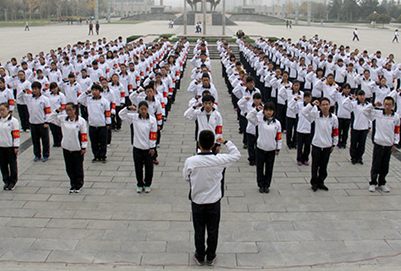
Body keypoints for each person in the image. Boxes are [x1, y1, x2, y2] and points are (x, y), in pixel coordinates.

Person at [183, 131, 240, 266]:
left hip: (198, 201)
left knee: (199, 229)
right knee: (213, 229)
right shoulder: (219, 160)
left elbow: (186, 177)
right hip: (214, 201)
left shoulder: (191, 161)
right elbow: (236, 154)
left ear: (198, 144)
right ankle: (211, 256)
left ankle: (200, 255)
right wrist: (226, 142)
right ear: (214, 144)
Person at [48, 103, 88, 193]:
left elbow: (84, 134)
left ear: (74, 110)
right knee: (69, 167)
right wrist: (57, 111)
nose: (68, 112)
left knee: (78, 167)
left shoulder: (81, 121)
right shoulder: (62, 119)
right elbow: (50, 119)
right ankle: (72, 184)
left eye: (70, 110)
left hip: (77, 148)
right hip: (66, 147)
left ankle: (79, 184)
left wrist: (84, 147)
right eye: (67, 110)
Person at [363, 97, 400, 193]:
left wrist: (395, 143)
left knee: (385, 165)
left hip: (388, 144)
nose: (387, 106)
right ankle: (373, 183)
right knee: (376, 164)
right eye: (386, 104)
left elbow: (397, 131)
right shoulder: (377, 114)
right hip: (379, 143)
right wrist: (373, 105)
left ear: (393, 106)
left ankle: (382, 183)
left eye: (389, 104)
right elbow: (364, 111)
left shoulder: (396, 117)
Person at [119, 101, 157, 193]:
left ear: (148, 109)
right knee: (138, 167)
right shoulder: (134, 118)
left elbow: (153, 135)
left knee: (149, 168)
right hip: (137, 147)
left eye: (145, 109)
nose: (143, 111)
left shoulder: (152, 120)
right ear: (139, 110)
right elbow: (121, 114)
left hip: (148, 148)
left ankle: (147, 184)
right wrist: (128, 108)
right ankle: (139, 184)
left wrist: (152, 147)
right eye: (141, 109)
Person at [302, 98, 339, 192]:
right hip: (316, 144)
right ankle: (314, 182)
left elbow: (335, 131)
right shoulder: (316, 115)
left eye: (327, 104)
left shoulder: (333, 118)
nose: (325, 107)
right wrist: (311, 104)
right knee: (315, 165)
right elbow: (304, 112)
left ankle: (321, 181)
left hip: (327, 145)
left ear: (329, 106)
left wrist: (334, 144)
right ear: (320, 106)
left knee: (323, 165)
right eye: (323, 105)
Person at [247, 102, 282, 193]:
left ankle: (267, 185)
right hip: (260, 148)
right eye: (266, 110)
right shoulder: (259, 120)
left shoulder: (277, 123)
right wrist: (256, 110)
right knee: (260, 167)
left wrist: (278, 147)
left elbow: (278, 136)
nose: (268, 112)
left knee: (269, 168)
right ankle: (260, 184)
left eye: (270, 110)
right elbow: (249, 117)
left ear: (274, 111)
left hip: (271, 149)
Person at [78, 84, 111, 163]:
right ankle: (96, 156)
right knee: (94, 142)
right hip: (92, 124)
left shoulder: (105, 101)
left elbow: (107, 113)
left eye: (96, 90)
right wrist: (86, 93)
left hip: (102, 125)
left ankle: (103, 156)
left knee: (103, 142)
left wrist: (108, 124)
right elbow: (79, 99)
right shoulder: (88, 100)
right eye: (93, 90)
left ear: (100, 92)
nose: (94, 92)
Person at [18, 81, 51, 162]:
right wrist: (23, 91)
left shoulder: (45, 99)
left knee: (45, 140)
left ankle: (45, 154)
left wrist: (46, 122)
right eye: (33, 89)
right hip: (33, 123)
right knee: (35, 140)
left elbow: (48, 112)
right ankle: (37, 154)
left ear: (40, 89)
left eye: (36, 89)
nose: (34, 91)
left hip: (42, 123)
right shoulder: (29, 98)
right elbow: (18, 97)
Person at [343, 90, 371, 165]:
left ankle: (359, 157)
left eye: (363, 95)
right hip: (356, 127)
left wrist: (369, 126)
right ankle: (353, 157)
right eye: (360, 95)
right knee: (354, 143)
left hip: (364, 127)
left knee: (362, 144)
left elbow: (370, 116)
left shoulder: (368, 105)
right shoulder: (354, 104)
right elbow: (344, 104)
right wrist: (350, 98)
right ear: (357, 96)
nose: (361, 97)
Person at [288, 91, 313, 166]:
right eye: (306, 97)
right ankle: (299, 158)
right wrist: (294, 99)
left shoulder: (313, 107)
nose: (308, 99)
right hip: (300, 128)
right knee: (300, 146)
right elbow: (290, 106)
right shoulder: (299, 104)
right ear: (304, 98)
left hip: (308, 129)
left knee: (307, 146)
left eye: (309, 97)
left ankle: (306, 158)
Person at [0, 103, 19, 191]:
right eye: (0, 110)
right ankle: (6, 181)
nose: (1, 112)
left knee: (12, 165)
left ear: (8, 109)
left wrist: (16, 146)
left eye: (3, 110)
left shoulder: (13, 121)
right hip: (1, 146)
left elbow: (16, 134)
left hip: (10, 147)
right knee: (3, 165)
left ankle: (13, 181)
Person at [48, 82, 66, 147]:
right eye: (53, 88)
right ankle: (55, 141)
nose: (54, 89)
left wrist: (62, 112)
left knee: (59, 129)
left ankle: (60, 141)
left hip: (59, 114)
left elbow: (64, 105)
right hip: (52, 114)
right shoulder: (49, 95)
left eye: (55, 88)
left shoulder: (61, 95)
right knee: (53, 130)